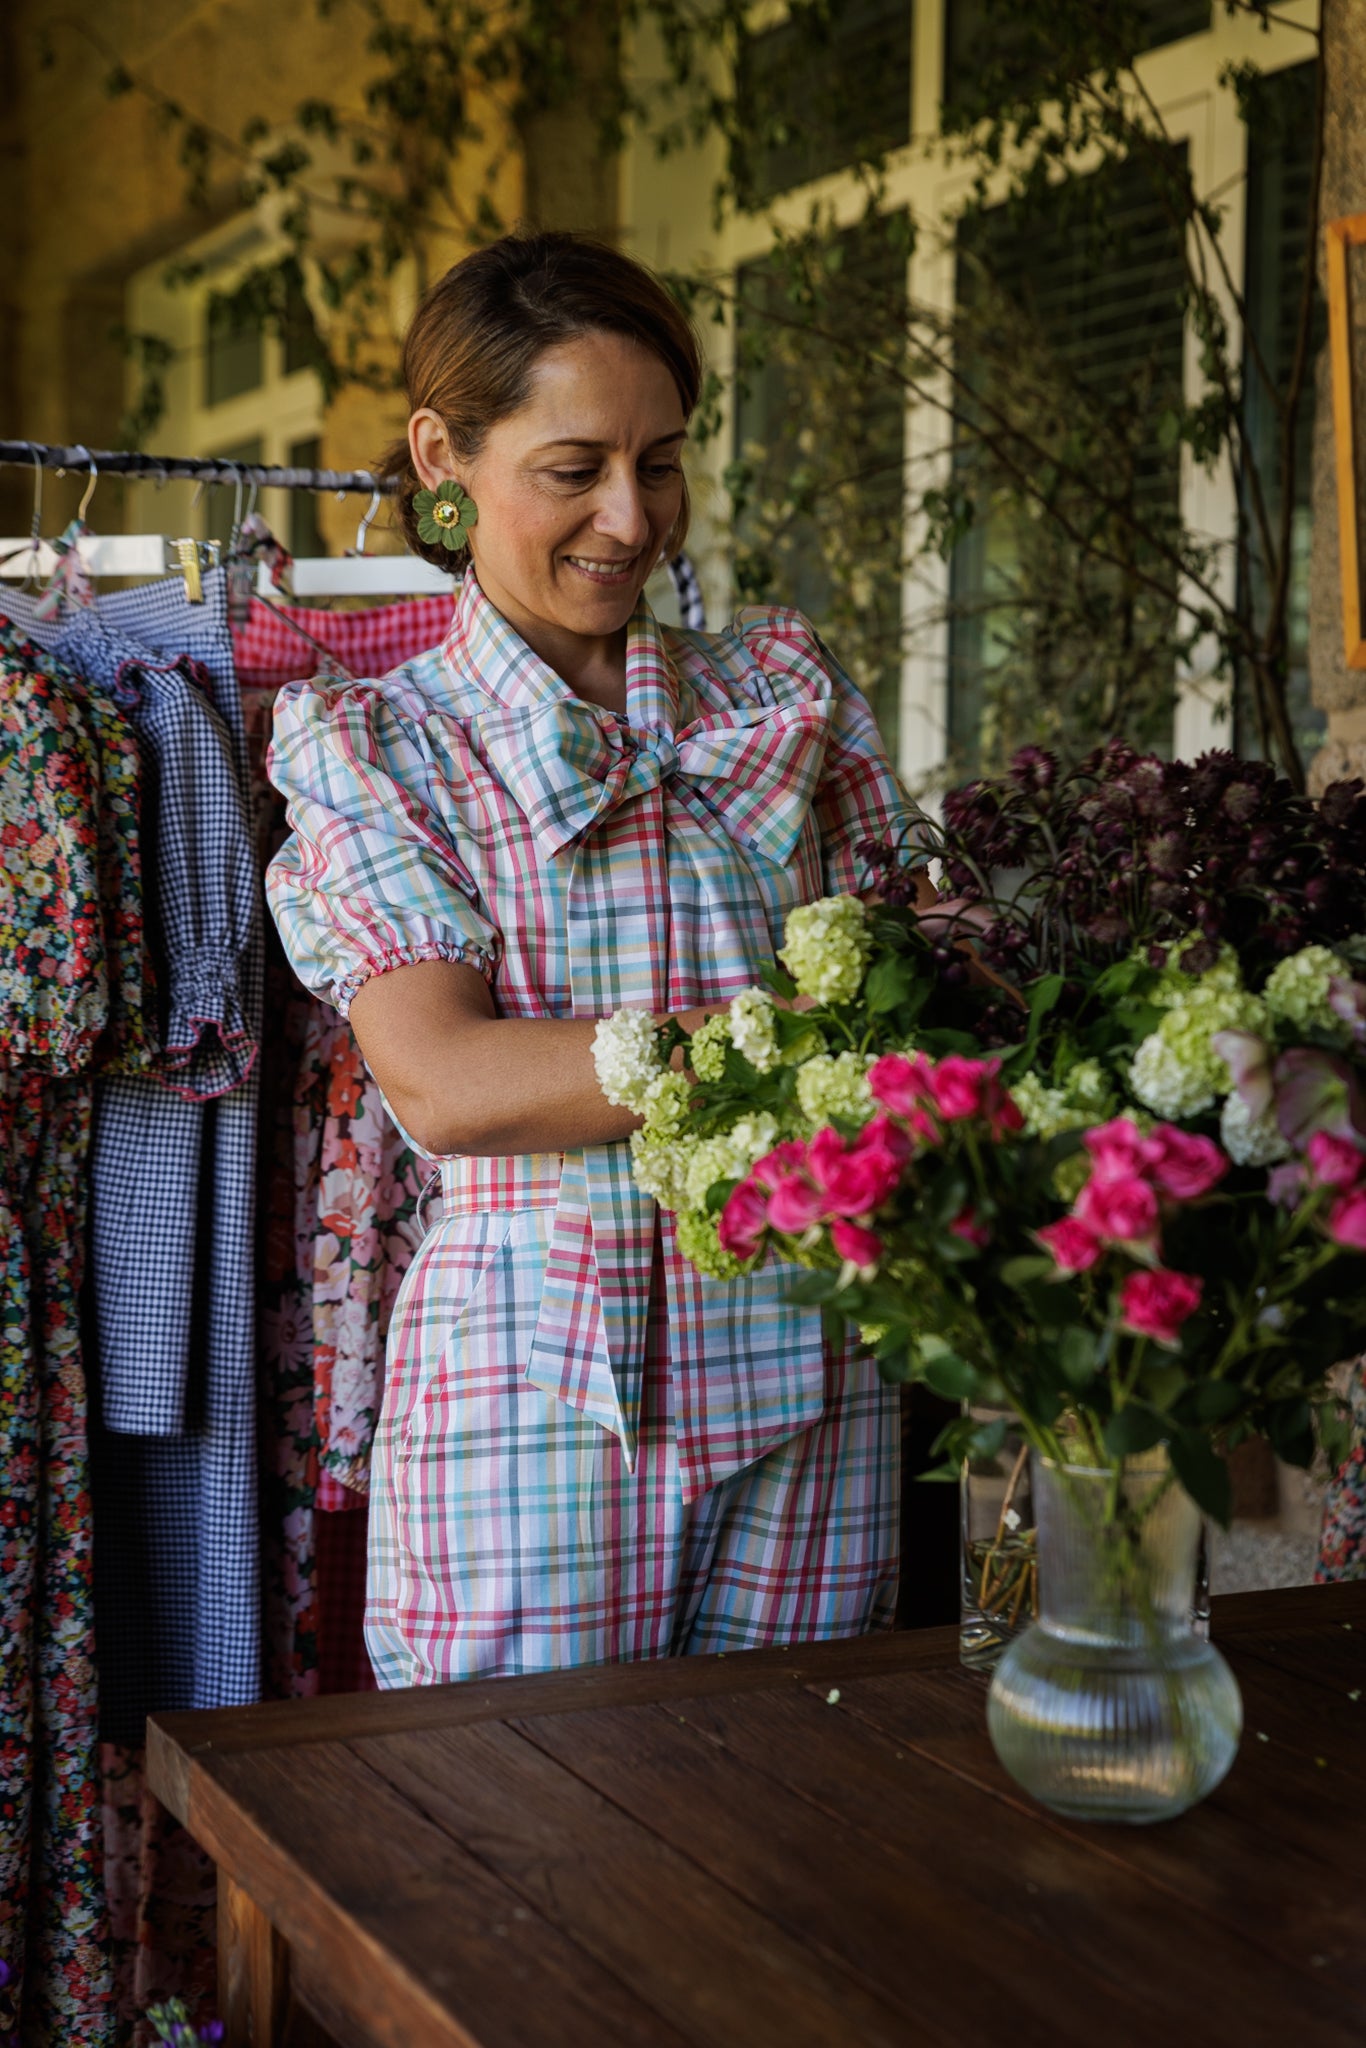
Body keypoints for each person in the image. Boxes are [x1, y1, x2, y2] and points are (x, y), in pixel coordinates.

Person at [266, 230, 910, 1688]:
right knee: (523, 1857)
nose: (629, 517)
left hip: (818, 1377)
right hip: (536, 1413)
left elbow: (924, 971)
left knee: (799, 1859)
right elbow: (448, 1081)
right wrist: (796, 1046)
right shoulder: (380, 741)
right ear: (446, 455)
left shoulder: (782, 696)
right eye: (573, 468)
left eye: (661, 461)